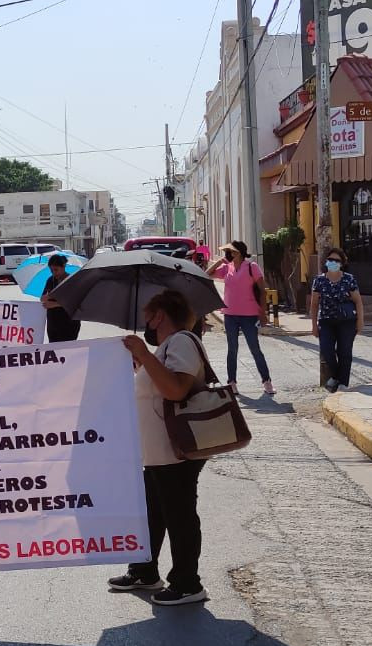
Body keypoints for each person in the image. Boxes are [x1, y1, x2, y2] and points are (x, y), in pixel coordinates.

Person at [111, 289, 209, 606]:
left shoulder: (181, 341)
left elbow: (176, 390)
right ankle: (144, 570)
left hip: (175, 451)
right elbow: (156, 386)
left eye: (148, 317)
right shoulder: (168, 346)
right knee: (151, 513)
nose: (147, 324)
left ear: (159, 315)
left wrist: (145, 354)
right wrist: (142, 362)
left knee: (179, 514)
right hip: (157, 451)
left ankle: (187, 582)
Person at [208, 242, 274, 395]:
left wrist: (263, 312)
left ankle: (266, 381)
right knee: (232, 349)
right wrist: (218, 262)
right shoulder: (226, 268)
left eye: (233, 252)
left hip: (249, 315)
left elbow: (262, 291)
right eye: (228, 252)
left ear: (241, 253)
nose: (230, 255)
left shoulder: (252, 267)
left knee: (255, 348)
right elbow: (207, 274)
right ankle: (232, 382)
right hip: (230, 314)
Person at [310, 247, 366, 393]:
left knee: (344, 351)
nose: (333, 262)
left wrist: (360, 321)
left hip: (346, 321)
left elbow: (358, 301)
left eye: (336, 260)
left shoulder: (349, 279)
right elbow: (314, 304)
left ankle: (343, 383)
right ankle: (335, 376)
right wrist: (314, 325)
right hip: (326, 321)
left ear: (342, 263)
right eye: (330, 260)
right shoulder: (319, 280)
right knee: (327, 351)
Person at [39, 254, 81, 342]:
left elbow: (75, 302)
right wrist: (46, 297)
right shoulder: (50, 280)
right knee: (54, 351)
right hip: (53, 324)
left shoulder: (71, 280)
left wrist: (55, 304)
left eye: (56, 270)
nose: (54, 273)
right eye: (51, 270)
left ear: (64, 266)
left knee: (67, 350)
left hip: (69, 323)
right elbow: (42, 298)